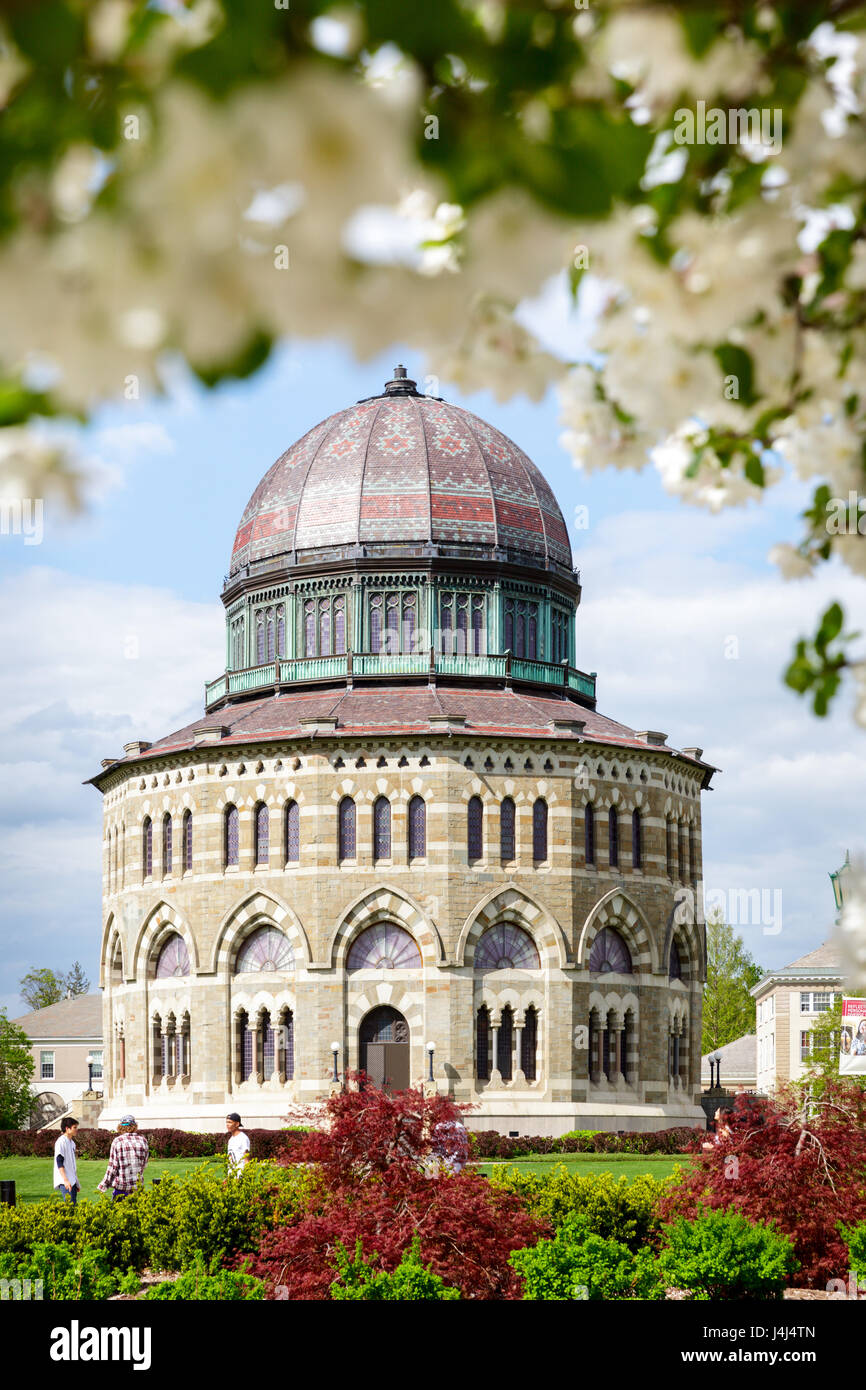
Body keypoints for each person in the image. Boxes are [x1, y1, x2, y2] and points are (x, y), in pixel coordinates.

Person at [97, 1114, 149, 1200]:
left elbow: (113, 1167)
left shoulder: (118, 1141)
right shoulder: (143, 1140)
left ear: (120, 1127)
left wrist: (103, 1185)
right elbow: (144, 1164)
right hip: (138, 1186)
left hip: (122, 1188)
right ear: (134, 1126)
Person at [53, 1116, 80, 1205]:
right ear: (67, 1128)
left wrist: (76, 1182)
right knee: (70, 1206)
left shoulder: (72, 1143)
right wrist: (65, 1180)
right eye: (74, 1128)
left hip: (72, 1181)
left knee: (74, 1205)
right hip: (65, 1181)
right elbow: (59, 1161)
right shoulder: (61, 1142)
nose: (76, 1130)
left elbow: (72, 1164)